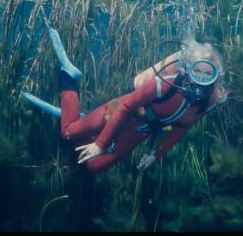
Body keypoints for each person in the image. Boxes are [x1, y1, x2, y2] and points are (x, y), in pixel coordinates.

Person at [22, 20, 230, 173]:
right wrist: (100, 144)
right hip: (117, 111)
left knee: (95, 166)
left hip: (141, 130)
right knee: (68, 133)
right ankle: (69, 76)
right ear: (188, 69)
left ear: (215, 74)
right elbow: (124, 108)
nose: (202, 79)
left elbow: (182, 128)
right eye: (197, 71)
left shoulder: (210, 101)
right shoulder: (164, 85)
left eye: (207, 73)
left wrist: (155, 155)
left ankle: (87, 124)